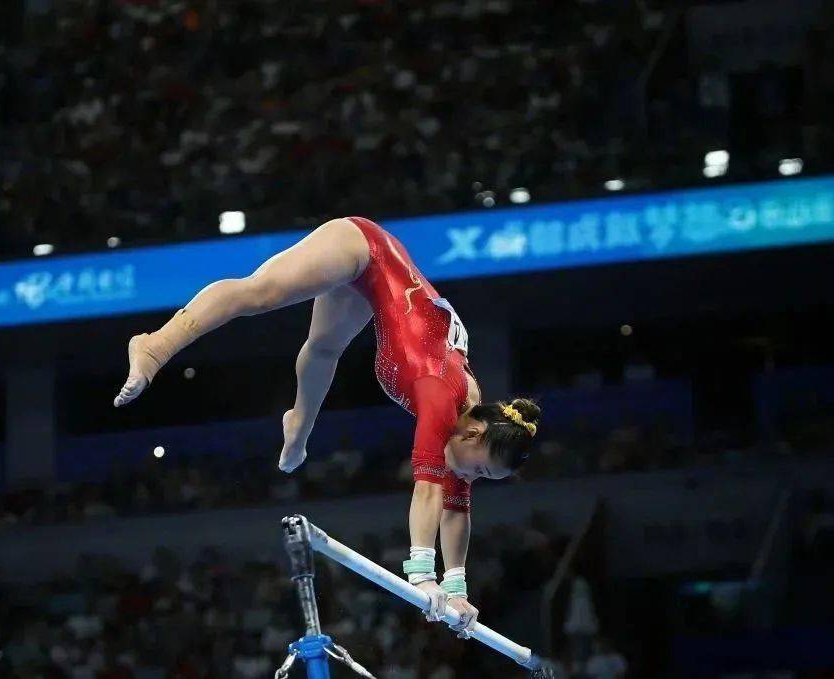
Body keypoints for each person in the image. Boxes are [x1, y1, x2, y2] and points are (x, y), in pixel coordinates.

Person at [114, 216, 541, 636]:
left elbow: (456, 510)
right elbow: (429, 491)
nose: (469, 478)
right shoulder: (438, 398)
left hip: (377, 285)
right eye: (480, 470)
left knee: (323, 349)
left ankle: (298, 423)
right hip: (362, 245)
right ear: (474, 434)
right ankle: (155, 345)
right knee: (261, 293)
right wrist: (422, 574)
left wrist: (456, 589)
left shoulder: (473, 428)